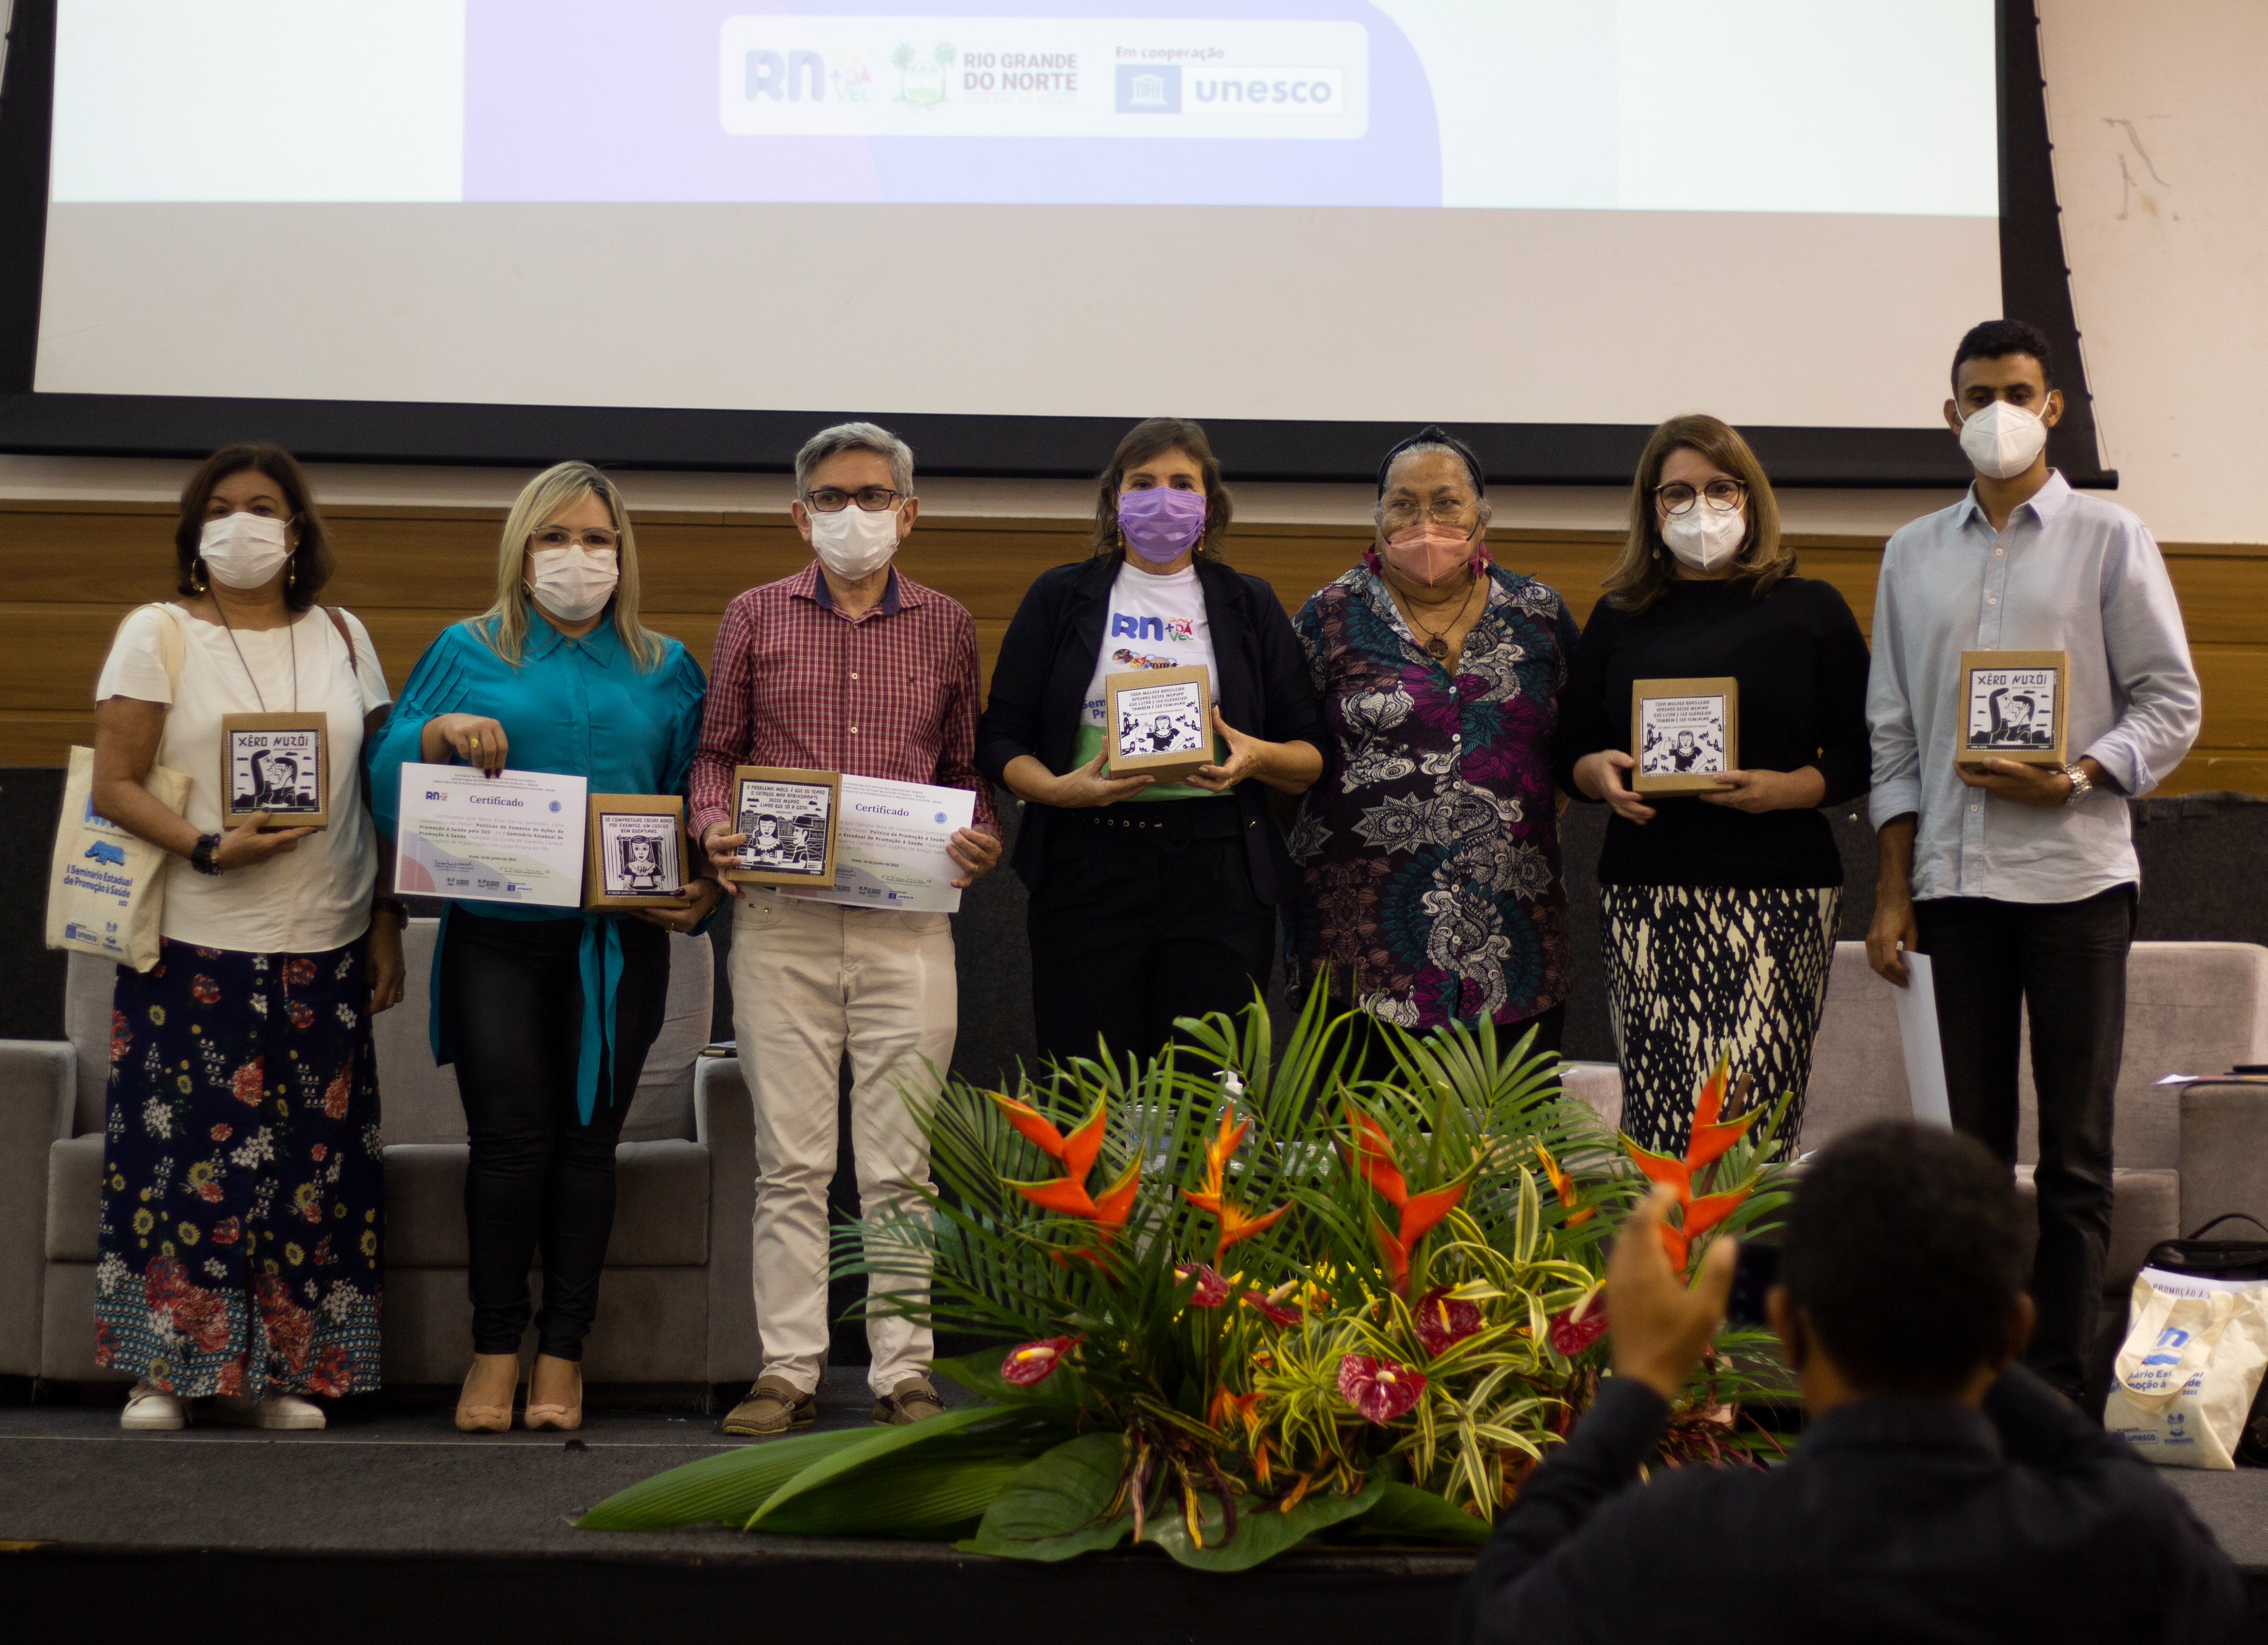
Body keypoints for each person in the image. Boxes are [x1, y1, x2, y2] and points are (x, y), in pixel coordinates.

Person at [1452, 1120, 2247, 1644]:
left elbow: (1492, 1618)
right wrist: (1971, 1336)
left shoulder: (1681, 1535)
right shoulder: (2114, 1544)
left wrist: (1643, 1382)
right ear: (2012, 1336)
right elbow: (2210, 1592)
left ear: (1791, 1329)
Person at [1867, 319, 2202, 1400]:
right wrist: (1890, 889)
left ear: (2053, 406)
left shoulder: (2113, 537)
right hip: (1951, 892)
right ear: (1950, 412)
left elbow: (2173, 700)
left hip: (2075, 886)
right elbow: (1893, 735)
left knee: (2075, 1159)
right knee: (1967, 1164)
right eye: (1979, 394)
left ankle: (2058, 1390)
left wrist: (2080, 775)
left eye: (2020, 391)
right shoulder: (1909, 552)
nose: (1999, 410)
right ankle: (1973, 1382)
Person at [367, 461, 716, 1434]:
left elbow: (704, 796)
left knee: (588, 1148)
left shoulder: (667, 665)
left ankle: (563, 1353)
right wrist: (438, 729)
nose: (577, 557)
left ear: (622, 553)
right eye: (554, 538)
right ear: (521, 550)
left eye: (597, 539)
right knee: (511, 1146)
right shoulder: (464, 648)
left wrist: (707, 886)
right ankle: (492, 1352)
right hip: (497, 944)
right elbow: (384, 773)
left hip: (621, 948)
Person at [692, 422, 1002, 1438]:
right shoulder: (752, 615)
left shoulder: (950, 625)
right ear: (800, 513)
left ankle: (901, 1372)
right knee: (791, 1162)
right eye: (830, 499)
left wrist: (981, 834)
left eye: (871, 496)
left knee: (900, 1162)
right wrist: (712, 828)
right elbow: (715, 755)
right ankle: (786, 1369)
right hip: (781, 924)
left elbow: (965, 771)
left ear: (908, 513)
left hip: (909, 928)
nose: (852, 516)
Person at [88, 443, 401, 1433]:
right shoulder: (156, 633)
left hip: (329, 940)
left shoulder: (347, 637)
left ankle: (288, 1375)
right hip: (195, 942)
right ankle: (164, 1375)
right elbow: (114, 783)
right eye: (220, 509)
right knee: (181, 1162)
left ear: (297, 528)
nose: (243, 525)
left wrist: (389, 918)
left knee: (312, 1167)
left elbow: (382, 793)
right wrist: (210, 848)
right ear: (194, 533)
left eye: (264, 507)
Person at [1554, 414, 1871, 1155]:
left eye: (1718, 488)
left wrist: (1790, 789)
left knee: (1751, 1122)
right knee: (1661, 1123)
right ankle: (1666, 1273)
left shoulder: (1811, 608)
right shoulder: (1619, 615)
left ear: (1749, 497)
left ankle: (1748, 1274)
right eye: (1677, 493)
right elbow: (1569, 747)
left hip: (1779, 895)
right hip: (1647, 893)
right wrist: (1596, 775)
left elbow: (1868, 750)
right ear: (1651, 510)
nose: (1700, 508)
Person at [976, 416, 1324, 1066]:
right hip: (1086, 866)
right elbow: (1000, 738)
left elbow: (1308, 757)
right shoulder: (1060, 595)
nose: (1163, 498)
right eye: (1143, 482)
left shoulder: (1249, 603)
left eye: (1182, 484)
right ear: (1116, 498)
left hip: (1220, 871)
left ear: (1210, 505)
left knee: (1204, 1093)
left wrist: (1255, 758)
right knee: (1085, 1088)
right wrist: (1058, 791)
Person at [1283, 426, 1576, 1066]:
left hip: (1515, 951)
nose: (1426, 520)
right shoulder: (1326, 616)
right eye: (1404, 503)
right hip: (1359, 955)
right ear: (1377, 515)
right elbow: (1288, 760)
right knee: (1362, 1161)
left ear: (1483, 514)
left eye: (1446, 502)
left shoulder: (1540, 616)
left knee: (1507, 1160)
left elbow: (1569, 755)